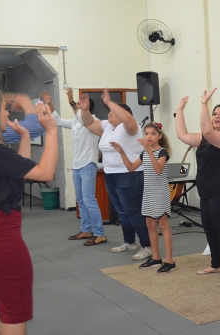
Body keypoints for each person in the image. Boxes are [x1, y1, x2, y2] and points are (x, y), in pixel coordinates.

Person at [0, 86, 57, 335]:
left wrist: (25, 138)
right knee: (14, 307)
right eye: (4, 109)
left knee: (1, 303)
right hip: (0, 235)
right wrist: (52, 132)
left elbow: (18, 173)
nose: (8, 115)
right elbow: (45, 173)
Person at [175, 91, 220, 287]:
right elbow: (182, 135)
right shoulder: (206, 140)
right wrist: (179, 110)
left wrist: (204, 103)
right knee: (210, 229)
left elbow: (207, 131)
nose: (217, 117)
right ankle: (215, 264)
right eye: (214, 113)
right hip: (207, 191)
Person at [79, 89, 151, 260]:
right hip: (111, 174)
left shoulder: (131, 128)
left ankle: (147, 246)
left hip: (129, 175)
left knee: (133, 212)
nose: (110, 113)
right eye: (109, 111)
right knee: (122, 211)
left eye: (114, 111)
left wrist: (110, 102)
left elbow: (127, 119)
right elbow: (89, 123)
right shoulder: (108, 127)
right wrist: (84, 110)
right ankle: (129, 243)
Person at [41, 89, 107, 246]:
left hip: (88, 164)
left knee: (89, 199)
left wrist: (72, 102)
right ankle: (86, 229)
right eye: (76, 104)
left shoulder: (93, 121)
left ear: (87, 107)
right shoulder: (76, 122)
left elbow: (84, 118)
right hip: (77, 165)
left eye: (80, 104)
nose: (76, 107)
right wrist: (49, 104)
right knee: (81, 200)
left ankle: (100, 233)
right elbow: (58, 120)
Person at [110, 122, 176, 274]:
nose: (149, 136)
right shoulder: (144, 153)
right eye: (146, 134)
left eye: (153, 133)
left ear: (159, 136)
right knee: (149, 224)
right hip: (148, 192)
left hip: (159, 192)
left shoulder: (162, 152)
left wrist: (149, 150)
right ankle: (156, 257)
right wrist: (121, 152)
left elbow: (158, 170)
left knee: (163, 224)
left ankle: (170, 261)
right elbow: (131, 168)